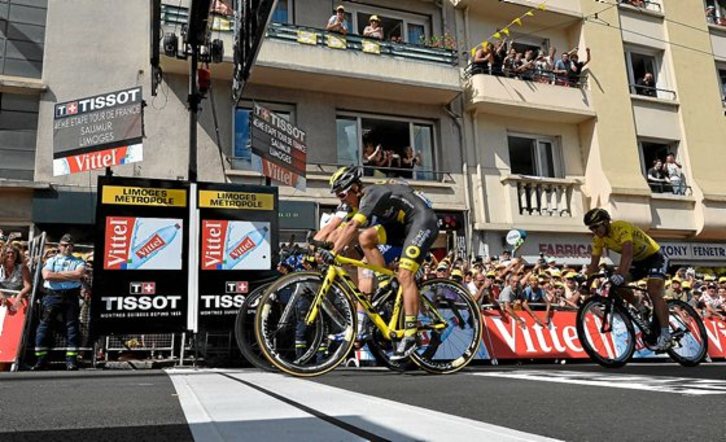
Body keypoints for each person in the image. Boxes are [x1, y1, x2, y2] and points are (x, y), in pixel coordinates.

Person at [325, 165, 438, 360]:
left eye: (342, 194)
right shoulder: (356, 204)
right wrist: (319, 248)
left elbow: (352, 226)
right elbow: (337, 230)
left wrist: (333, 252)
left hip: (422, 221)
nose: (341, 199)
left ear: (355, 188)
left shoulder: (370, 195)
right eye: (337, 195)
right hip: (400, 227)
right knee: (366, 238)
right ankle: (386, 284)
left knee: (405, 274)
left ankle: (411, 335)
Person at [583, 208, 672, 350]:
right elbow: (593, 265)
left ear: (605, 222)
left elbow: (627, 253)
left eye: (596, 226)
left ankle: (666, 335)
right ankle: (641, 308)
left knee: (653, 291)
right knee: (616, 285)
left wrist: (620, 273)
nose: (594, 230)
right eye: (591, 228)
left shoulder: (621, 227)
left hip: (655, 257)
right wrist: (587, 285)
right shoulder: (598, 239)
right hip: (639, 262)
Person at [33, 234, 86, 371]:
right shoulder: (51, 260)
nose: (67, 247)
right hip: (53, 296)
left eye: (70, 245)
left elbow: (78, 274)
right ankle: (41, 360)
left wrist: (57, 275)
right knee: (44, 326)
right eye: (64, 245)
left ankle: (71, 361)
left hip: (71, 296)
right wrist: (70, 275)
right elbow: (47, 275)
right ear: (59, 246)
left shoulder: (79, 261)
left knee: (72, 327)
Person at [0, 244, 32, 311]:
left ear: (17, 255)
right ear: (3, 254)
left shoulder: (23, 268)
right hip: (1, 300)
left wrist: (20, 295)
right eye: (8, 252)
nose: (11, 254)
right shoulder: (0, 267)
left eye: (13, 253)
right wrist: (1, 294)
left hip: (17, 300)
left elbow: (28, 286)